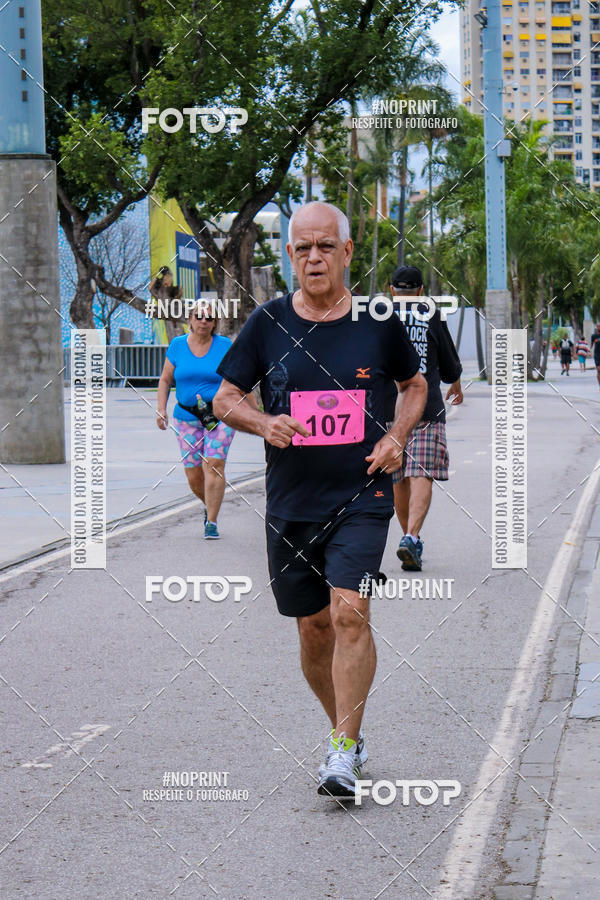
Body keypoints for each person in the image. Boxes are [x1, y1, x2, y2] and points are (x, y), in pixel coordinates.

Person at [213, 201, 427, 799]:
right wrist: (263, 423)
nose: (314, 258)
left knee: (349, 612)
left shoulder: (378, 321)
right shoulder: (267, 322)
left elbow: (415, 385)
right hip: (292, 502)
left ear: (347, 251)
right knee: (312, 627)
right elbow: (226, 398)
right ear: (289, 255)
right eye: (303, 248)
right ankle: (347, 735)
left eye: (325, 246)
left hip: (361, 493)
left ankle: (341, 752)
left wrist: (396, 435)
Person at [389, 266, 463, 572]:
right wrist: (456, 382)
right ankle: (411, 537)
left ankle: (409, 539)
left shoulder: (378, 315)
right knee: (421, 472)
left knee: (398, 476)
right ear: (421, 291)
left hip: (389, 410)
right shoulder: (431, 314)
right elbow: (448, 364)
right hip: (426, 407)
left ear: (391, 290)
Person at [156, 302, 235, 539]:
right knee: (193, 474)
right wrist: (161, 409)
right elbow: (165, 380)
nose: (203, 321)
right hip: (186, 418)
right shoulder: (177, 345)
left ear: (214, 322)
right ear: (190, 319)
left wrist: (253, 413)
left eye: (209, 318)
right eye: (199, 316)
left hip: (220, 416)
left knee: (214, 464)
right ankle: (210, 504)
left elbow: (238, 378)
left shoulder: (224, 345)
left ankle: (212, 521)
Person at [150, 266, 184, 341]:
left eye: (170, 276)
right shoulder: (161, 292)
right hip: (171, 321)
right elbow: (150, 288)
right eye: (169, 276)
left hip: (175, 319)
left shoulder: (173, 291)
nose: (171, 279)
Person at [593, 324, 600, 390]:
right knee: (598, 370)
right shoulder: (594, 336)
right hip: (597, 354)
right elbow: (591, 344)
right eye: (598, 326)